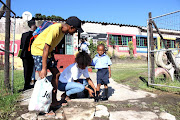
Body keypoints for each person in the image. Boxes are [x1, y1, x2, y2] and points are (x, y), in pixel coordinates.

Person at [31, 16, 84, 107]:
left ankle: (54, 101)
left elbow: (50, 47)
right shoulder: (56, 29)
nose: (75, 32)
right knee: (43, 77)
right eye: (75, 30)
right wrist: (44, 68)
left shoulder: (63, 32)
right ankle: (42, 107)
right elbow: (46, 47)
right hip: (39, 51)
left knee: (56, 74)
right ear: (71, 27)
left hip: (47, 53)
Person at [19, 19, 37, 92]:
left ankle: (27, 84)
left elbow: (21, 45)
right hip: (30, 54)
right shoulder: (35, 35)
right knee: (31, 69)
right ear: (33, 25)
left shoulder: (24, 34)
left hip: (24, 55)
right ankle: (28, 84)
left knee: (26, 70)